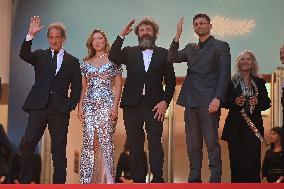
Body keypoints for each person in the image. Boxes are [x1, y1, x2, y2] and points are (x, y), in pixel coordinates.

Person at [109, 18, 176, 183]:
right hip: (131, 105)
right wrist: (121, 35)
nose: (145, 32)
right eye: (142, 30)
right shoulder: (129, 51)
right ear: (138, 34)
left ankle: (158, 179)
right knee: (134, 143)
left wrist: (165, 102)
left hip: (155, 106)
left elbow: (171, 82)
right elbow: (113, 56)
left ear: (154, 34)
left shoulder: (164, 53)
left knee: (155, 143)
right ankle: (138, 181)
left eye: (148, 29)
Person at [168, 14, 231, 183]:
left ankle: (215, 179)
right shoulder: (190, 47)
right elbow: (172, 58)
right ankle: (194, 178)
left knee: (211, 142)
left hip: (209, 99)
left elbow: (225, 74)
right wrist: (177, 35)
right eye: (196, 24)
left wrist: (218, 97)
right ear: (194, 29)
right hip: (191, 99)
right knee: (192, 144)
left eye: (202, 23)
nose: (199, 26)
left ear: (210, 26)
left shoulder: (220, 46)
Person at [19, 16, 82, 184]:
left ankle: (59, 184)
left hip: (60, 110)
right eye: (51, 37)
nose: (54, 40)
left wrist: (70, 105)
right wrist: (30, 35)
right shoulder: (40, 56)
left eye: (57, 37)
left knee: (58, 148)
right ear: (48, 38)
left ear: (63, 38)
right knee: (28, 143)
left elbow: (77, 88)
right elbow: (24, 54)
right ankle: (24, 182)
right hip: (38, 106)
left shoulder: (73, 62)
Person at [78, 29, 122, 184]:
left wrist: (115, 106)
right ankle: (87, 182)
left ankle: (107, 180)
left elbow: (118, 85)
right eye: (94, 39)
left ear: (105, 41)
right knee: (89, 140)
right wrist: (80, 106)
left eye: (100, 38)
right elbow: (83, 88)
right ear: (91, 42)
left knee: (105, 141)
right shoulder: (85, 63)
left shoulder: (113, 60)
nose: (97, 41)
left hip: (107, 104)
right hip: (89, 105)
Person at [221, 50, 271, 182]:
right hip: (235, 128)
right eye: (242, 59)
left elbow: (267, 103)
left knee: (252, 162)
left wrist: (258, 102)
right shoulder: (231, 81)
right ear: (238, 62)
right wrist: (234, 101)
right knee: (236, 164)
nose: (245, 61)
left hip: (253, 128)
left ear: (253, 62)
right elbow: (223, 101)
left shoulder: (260, 82)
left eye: (248, 59)